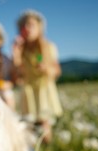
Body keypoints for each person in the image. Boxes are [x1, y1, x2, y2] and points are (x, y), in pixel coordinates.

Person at [12, 10, 63, 143]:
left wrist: (47, 69)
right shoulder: (21, 50)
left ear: (40, 28)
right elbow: (18, 75)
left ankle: (48, 148)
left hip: (43, 89)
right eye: (23, 26)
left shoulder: (48, 47)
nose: (27, 28)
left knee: (45, 123)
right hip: (28, 90)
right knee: (30, 123)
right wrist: (16, 54)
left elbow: (57, 70)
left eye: (31, 25)